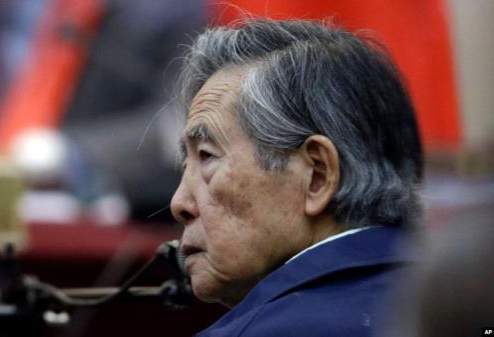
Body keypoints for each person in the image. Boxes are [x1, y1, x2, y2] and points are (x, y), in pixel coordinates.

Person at [170, 19, 423, 336]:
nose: (179, 203)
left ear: (317, 175)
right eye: (185, 164)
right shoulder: (469, 300)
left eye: (207, 155)